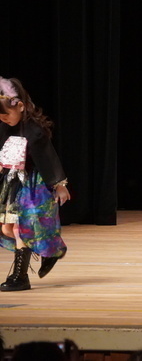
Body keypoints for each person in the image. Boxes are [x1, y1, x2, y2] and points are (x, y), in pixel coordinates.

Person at [0, 77, 70, 292]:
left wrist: (59, 184)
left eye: (6, 114)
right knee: (6, 228)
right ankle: (51, 248)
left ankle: (20, 277)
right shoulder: (5, 127)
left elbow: (47, 159)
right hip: (12, 183)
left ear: (20, 106)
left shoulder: (34, 130)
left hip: (32, 185)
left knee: (20, 228)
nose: (3, 119)